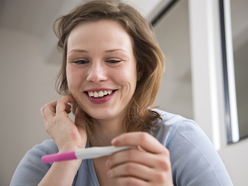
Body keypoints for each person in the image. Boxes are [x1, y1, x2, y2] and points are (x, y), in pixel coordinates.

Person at [10, 0, 233, 185]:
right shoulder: (43, 161)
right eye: (80, 61)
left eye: (114, 60)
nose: (95, 75)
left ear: (139, 69)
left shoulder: (182, 141)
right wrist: (68, 154)